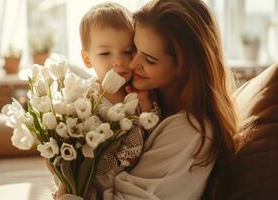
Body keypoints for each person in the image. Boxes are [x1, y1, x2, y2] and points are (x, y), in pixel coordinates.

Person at [58, 0, 239, 199]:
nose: (131, 64)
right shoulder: (146, 98)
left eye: (149, 59)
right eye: (134, 49)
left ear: (186, 67)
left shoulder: (190, 130)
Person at [54, 2, 157, 199]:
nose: (118, 60)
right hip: (86, 182)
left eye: (127, 51)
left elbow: (153, 132)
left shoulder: (137, 92)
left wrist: (145, 104)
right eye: (105, 53)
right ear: (87, 59)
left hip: (125, 184)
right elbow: (66, 148)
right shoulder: (86, 96)